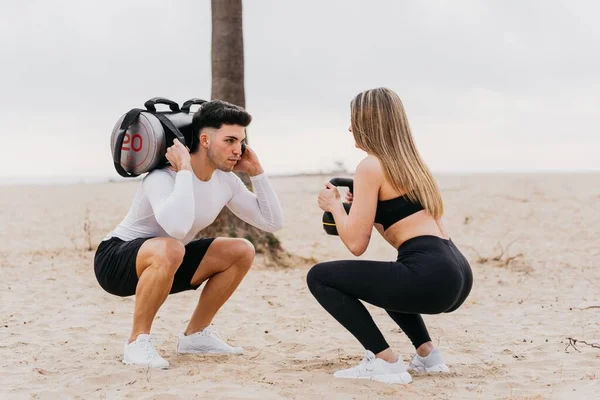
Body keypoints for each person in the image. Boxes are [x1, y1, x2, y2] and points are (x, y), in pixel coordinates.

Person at [94, 100, 284, 369]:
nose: (237, 150)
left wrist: (257, 172)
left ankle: (196, 335)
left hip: (168, 261)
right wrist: (184, 170)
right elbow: (178, 228)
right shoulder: (161, 177)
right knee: (172, 247)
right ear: (205, 139)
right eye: (229, 140)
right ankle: (137, 343)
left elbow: (272, 222)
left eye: (241, 142)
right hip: (116, 261)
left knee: (241, 250)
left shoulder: (225, 180)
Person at [307, 88, 473, 384]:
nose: (349, 128)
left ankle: (384, 360)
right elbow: (393, 220)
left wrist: (334, 206)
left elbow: (356, 245)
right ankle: (427, 355)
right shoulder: (412, 165)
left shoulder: (370, 166)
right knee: (388, 279)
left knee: (319, 276)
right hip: (455, 271)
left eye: (353, 120)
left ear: (368, 122)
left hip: (431, 276)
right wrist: (356, 207)